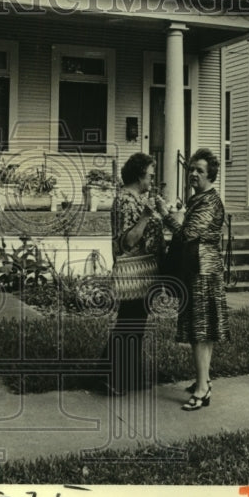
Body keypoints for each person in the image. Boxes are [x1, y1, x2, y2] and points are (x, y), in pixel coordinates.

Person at [157, 147, 230, 412]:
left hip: (203, 272)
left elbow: (187, 233)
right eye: (191, 169)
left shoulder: (209, 201)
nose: (193, 174)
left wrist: (165, 215)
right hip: (197, 269)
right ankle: (204, 380)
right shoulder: (198, 198)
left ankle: (202, 390)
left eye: (199, 170)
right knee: (202, 331)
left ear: (211, 174)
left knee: (200, 332)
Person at [102, 152, 164, 395]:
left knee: (134, 323)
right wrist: (147, 216)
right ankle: (114, 378)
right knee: (129, 323)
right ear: (140, 175)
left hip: (145, 270)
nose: (152, 179)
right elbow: (127, 242)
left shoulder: (138, 197)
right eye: (150, 174)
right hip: (135, 270)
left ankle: (121, 376)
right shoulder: (125, 201)